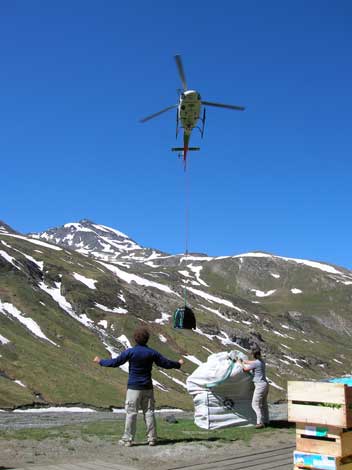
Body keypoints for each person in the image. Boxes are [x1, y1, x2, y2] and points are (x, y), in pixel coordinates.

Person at [93, 326, 184, 446]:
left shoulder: (130, 352)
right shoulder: (152, 353)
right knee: (149, 412)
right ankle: (152, 438)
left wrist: (100, 361)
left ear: (135, 339)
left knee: (131, 413)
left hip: (133, 388)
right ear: (147, 339)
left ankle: (128, 439)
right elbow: (165, 363)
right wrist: (178, 364)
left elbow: (115, 362)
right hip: (147, 387)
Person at [242, 347, 269, 428]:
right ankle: (266, 421)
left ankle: (259, 422)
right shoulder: (261, 361)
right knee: (264, 404)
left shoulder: (256, 363)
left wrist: (240, 363)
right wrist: (245, 361)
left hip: (259, 385)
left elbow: (245, 369)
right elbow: (252, 362)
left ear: (254, 355)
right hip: (265, 384)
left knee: (255, 404)